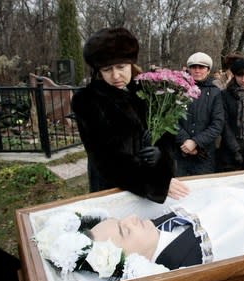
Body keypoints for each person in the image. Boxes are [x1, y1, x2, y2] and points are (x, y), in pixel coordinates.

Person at [34, 187, 244, 280]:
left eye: (121, 221)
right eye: (123, 231)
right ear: (128, 261)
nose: (131, 219)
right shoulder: (180, 262)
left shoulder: (154, 227)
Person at [71, 27, 189, 202]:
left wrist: (160, 156)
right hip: (116, 190)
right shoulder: (88, 100)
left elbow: (166, 138)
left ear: (131, 64)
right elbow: (106, 159)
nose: (115, 75)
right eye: (107, 69)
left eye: (121, 67)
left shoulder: (148, 92)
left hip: (152, 193)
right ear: (98, 70)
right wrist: (158, 183)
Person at [174, 52, 224, 176]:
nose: (197, 70)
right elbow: (171, 119)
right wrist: (185, 140)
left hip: (204, 155)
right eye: (194, 67)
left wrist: (195, 142)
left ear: (208, 70)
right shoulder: (178, 89)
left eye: (201, 67)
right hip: (181, 151)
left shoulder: (215, 93)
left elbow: (217, 123)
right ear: (189, 69)